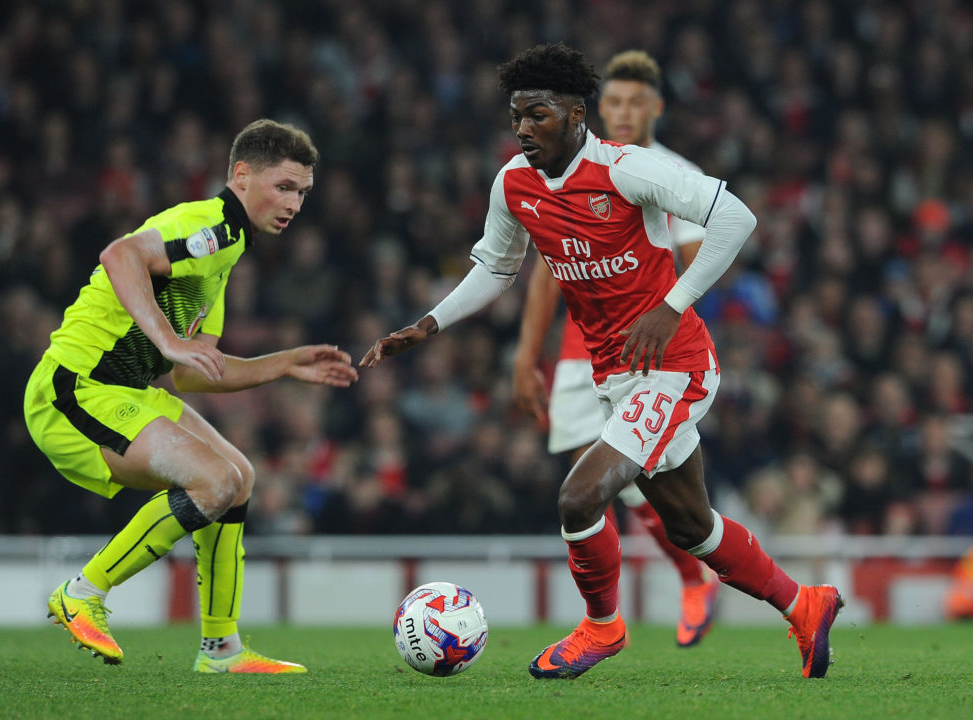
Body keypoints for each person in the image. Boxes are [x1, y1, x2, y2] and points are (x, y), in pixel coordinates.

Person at [361, 44, 843, 680]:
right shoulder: (514, 184)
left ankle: (602, 627)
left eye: (538, 115)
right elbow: (495, 268)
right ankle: (803, 605)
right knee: (692, 525)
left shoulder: (628, 169)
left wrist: (671, 305)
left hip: (677, 365)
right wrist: (428, 324)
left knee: (580, 495)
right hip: (615, 374)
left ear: (576, 112)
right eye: (516, 118)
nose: (524, 130)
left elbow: (735, 218)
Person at [24, 119, 359, 673]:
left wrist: (283, 364)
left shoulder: (225, 255)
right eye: (283, 187)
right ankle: (83, 592)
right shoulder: (209, 226)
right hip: (75, 387)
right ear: (242, 175)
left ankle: (221, 650)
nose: (294, 203)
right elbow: (119, 255)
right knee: (215, 481)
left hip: (124, 389)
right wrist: (165, 340)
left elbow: (195, 374)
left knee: (239, 477)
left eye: (303, 192)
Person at [511, 49, 720, 649]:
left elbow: (694, 260)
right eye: (615, 102)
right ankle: (610, 614)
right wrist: (527, 357)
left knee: (619, 481)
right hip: (582, 352)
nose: (623, 112)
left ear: (655, 107)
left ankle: (679, 582)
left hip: (646, 349)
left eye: (635, 102)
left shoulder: (663, 171)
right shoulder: (562, 170)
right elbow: (549, 268)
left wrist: (670, 325)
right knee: (593, 478)